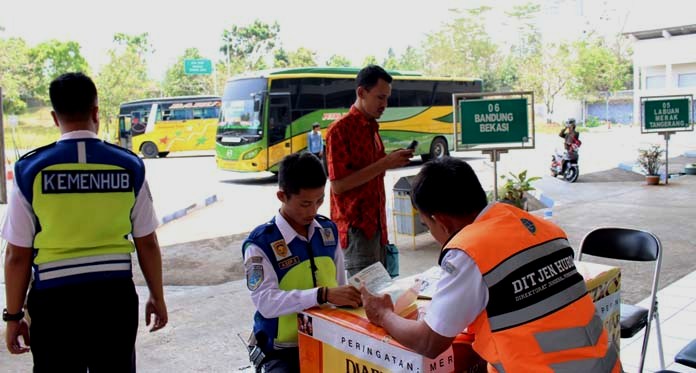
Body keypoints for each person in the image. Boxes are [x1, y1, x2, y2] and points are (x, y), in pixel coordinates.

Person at [360, 157, 621, 373]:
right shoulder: (543, 228)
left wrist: (384, 315)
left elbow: (428, 342)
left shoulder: (468, 251)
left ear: (440, 221)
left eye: (428, 226)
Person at [2, 72, 167, 371]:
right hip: (114, 299)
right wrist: (157, 296)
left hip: (54, 302)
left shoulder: (30, 170)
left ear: (55, 117)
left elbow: (17, 256)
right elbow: (147, 242)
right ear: (96, 112)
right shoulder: (129, 166)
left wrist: (13, 317)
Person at [242, 152, 361, 372]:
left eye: (320, 201)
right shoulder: (261, 244)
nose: (313, 211)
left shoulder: (328, 231)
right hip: (282, 350)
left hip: (327, 339)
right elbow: (266, 303)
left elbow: (339, 284)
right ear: (282, 196)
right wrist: (321, 294)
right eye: (305, 203)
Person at [326, 65, 413, 276]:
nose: (385, 104)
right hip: (356, 230)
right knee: (364, 301)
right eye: (380, 97)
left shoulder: (372, 128)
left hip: (378, 227)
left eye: (387, 98)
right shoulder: (340, 130)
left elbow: (371, 171)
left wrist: (392, 159)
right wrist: (385, 163)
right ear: (361, 93)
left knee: (380, 295)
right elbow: (338, 185)